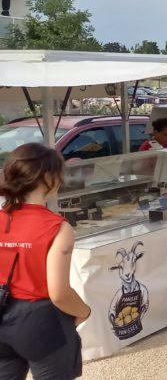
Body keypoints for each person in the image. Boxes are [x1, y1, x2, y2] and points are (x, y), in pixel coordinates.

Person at [0, 143, 90, 379]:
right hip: (41, 323)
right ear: (49, 178)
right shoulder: (57, 227)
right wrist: (84, 311)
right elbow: (59, 293)